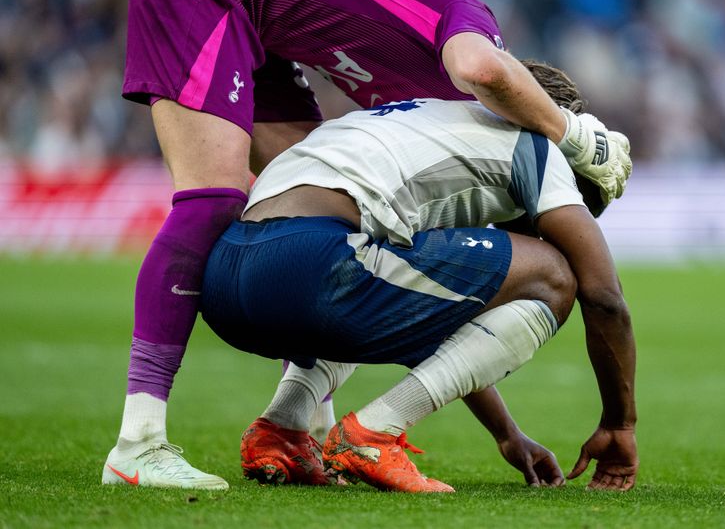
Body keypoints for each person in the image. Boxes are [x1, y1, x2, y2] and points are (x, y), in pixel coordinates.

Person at [104, 0, 631, 489]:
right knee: (211, 199)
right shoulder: (475, 36)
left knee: (350, 237)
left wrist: (504, 429)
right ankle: (139, 442)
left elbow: (424, 298)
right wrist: (574, 137)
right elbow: (484, 67)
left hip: (253, 12)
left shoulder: (440, 113)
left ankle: (291, 428)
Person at [199, 90, 639, 493]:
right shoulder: (541, 146)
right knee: (555, 275)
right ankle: (372, 434)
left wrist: (506, 432)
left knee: (380, 275)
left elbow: (432, 312)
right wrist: (621, 425)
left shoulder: (434, 123)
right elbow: (604, 297)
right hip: (314, 265)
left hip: (226, 278)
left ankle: (283, 427)